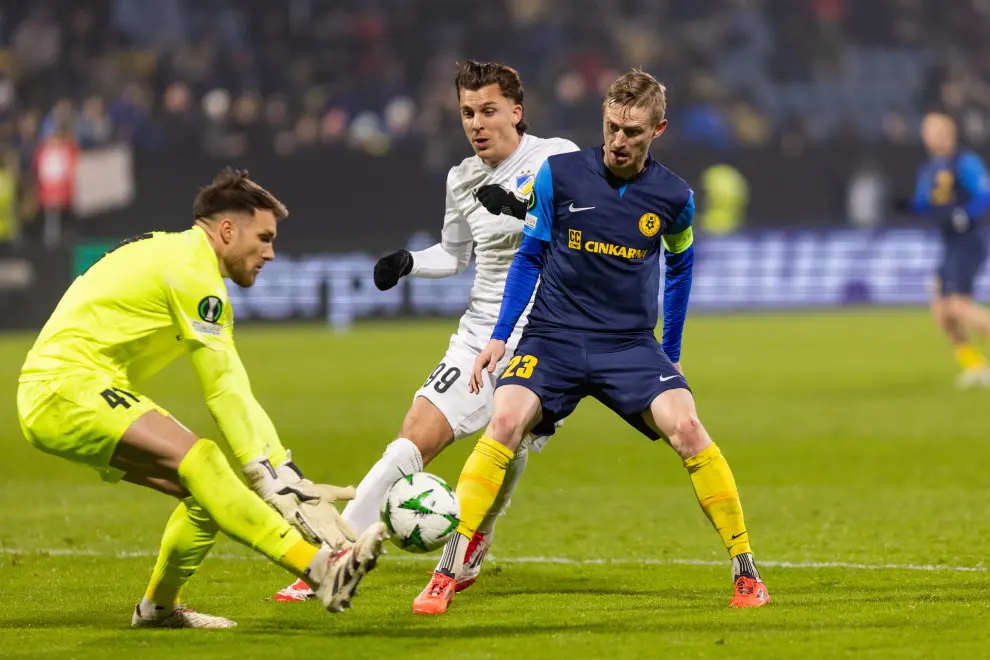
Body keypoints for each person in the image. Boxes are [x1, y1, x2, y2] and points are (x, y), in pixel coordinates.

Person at [412, 70, 771, 615]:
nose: (618, 142)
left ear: (658, 129)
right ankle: (448, 568)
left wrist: (668, 354)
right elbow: (530, 256)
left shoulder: (675, 198)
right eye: (611, 128)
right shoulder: (559, 176)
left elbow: (679, 271)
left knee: (689, 428)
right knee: (504, 422)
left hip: (626, 344)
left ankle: (745, 571)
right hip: (552, 337)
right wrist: (500, 337)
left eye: (632, 132)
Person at [16, 168, 387, 628]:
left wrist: (281, 469)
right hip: (65, 387)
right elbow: (224, 385)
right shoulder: (193, 271)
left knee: (206, 493)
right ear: (227, 230)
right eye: (265, 237)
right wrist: (272, 475)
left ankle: (158, 608)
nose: (271, 252)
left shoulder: (176, 254)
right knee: (204, 461)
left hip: (71, 389)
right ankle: (321, 571)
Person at [274, 60, 578, 605]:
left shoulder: (559, 157)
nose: (476, 124)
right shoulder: (462, 177)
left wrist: (522, 207)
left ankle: (471, 542)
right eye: (467, 113)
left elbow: (587, 227)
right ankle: (331, 557)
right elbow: (457, 254)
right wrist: (410, 262)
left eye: (488, 111)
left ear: (516, 111)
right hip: (477, 334)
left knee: (506, 442)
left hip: (545, 338)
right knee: (410, 438)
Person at [899, 113, 990, 388]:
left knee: (958, 306)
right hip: (948, 244)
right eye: (927, 130)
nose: (930, 135)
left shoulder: (965, 162)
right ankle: (975, 366)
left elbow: (985, 194)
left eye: (935, 129)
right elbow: (924, 203)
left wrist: (967, 214)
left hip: (968, 241)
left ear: (949, 132)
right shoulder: (928, 169)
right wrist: (907, 206)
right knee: (941, 309)